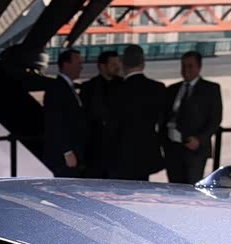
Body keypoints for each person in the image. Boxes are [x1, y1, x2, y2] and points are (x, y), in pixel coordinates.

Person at [163, 51, 223, 184]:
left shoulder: (211, 89)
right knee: (174, 187)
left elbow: (215, 119)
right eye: (183, 66)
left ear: (199, 67)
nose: (186, 70)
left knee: (191, 187)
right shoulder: (172, 89)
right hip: (173, 150)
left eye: (190, 66)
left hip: (195, 150)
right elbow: (164, 117)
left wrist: (199, 139)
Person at [109, 45, 166, 181]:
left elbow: (111, 123)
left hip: (120, 151)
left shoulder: (114, 89)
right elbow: (162, 119)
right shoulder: (157, 88)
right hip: (146, 150)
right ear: (143, 63)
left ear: (123, 64)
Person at [43, 49, 88, 178]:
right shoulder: (57, 89)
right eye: (78, 63)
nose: (81, 67)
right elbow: (55, 121)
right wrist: (66, 151)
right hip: (65, 154)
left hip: (74, 150)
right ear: (66, 64)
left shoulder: (67, 87)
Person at [80, 51, 122, 179]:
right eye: (113, 64)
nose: (117, 67)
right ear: (102, 66)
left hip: (118, 151)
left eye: (118, 64)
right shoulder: (88, 88)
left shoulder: (125, 85)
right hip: (95, 151)